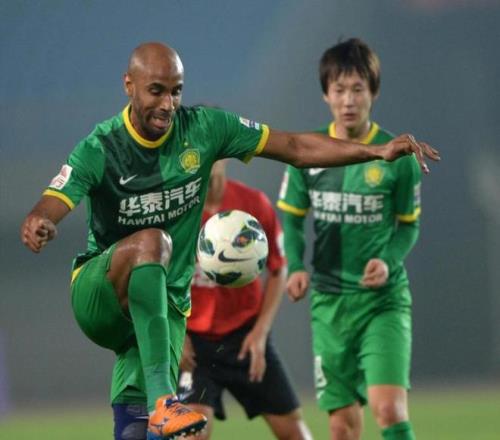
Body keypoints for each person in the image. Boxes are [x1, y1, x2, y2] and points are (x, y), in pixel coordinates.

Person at [20, 42, 438, 440]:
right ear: (129, 85)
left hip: (163, 308)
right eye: (156, 91)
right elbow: (56, 197)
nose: (168, 104)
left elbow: (294, 146)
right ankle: (165, 400)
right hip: (100, 294)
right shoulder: (102, 146)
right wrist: (41, 220)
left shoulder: (205, 128)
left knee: (135, 421)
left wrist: (374, 152)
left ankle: (155, 404)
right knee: (153, 242)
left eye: (176, 91)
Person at [277, 38, 424, 440]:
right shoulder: (308, 153)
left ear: (373, 92)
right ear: (325, 94)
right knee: (342, 427)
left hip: (382, 301)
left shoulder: (397, 155)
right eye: (339, 89)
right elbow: (291, 219)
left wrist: (387, 261)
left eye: (358, 89)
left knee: (389, 409)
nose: (348, 100)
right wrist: (295, 266)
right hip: (330, 304)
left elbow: (408, 225)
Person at [177, 159, 312, 440]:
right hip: (195, 346)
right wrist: (175, 334)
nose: (207, 157)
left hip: (245, 338)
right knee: (191, 433)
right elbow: (158, 278)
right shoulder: (178, 213)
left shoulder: (253, 204)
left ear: (226, 155)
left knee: (295, 433)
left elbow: (279, 268)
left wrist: (260, 332)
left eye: (214, 150)